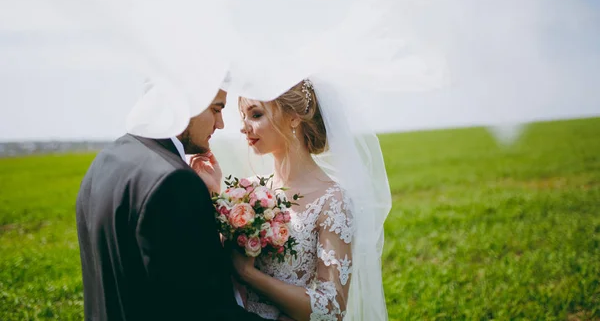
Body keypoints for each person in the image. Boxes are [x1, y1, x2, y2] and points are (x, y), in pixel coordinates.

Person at [76, 89, 268, 321]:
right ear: (185, 103)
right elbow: (203, 310)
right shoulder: (175, 181)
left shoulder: (106, 160)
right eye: (216, 109)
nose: (220, 123)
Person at [231, 79, 389, 320]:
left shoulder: (332, 201)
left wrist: (251, 276)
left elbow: (332, 307)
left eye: (256, 114)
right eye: (243, 116)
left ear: (294, 117)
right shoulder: (249, 190)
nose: (244, 127)